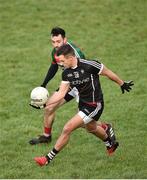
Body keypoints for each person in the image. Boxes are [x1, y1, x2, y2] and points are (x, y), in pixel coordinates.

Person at [34, 44, 134, 166]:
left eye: (62, 61)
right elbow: (61, 93)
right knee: (91, 128)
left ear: (70, 57)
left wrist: (122, 83)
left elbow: (108, 73)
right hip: (83, 103)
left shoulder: (90, 65)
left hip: (95, 104)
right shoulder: (66, 73)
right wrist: (45, 104)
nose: (60, 64)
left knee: (67, 128)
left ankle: (47, 159)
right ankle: (110, 142)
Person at [29, 27, 114, 145]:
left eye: (58, 42)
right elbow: (54, 66)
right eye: (53, 42)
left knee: (83, 122)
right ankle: (46, 136)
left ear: (65, 40)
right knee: (49, 108)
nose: (56, 45)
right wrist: (44, 83)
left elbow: (84, 76)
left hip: (80, 87)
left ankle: (105, 127)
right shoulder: (56, 51)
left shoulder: (76, 54)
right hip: (69, 84)